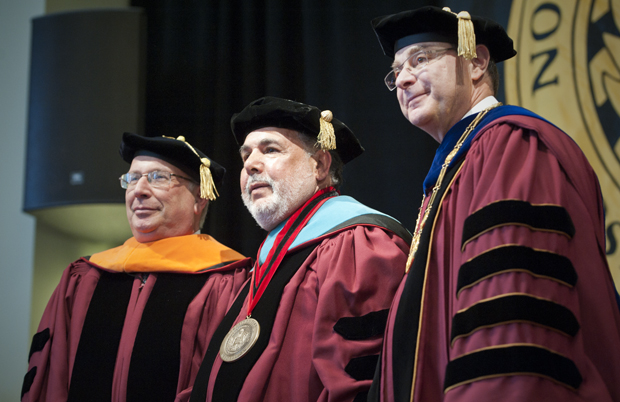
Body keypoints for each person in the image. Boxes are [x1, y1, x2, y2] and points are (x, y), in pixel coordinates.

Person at [367, 6, 620, 402]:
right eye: (396, 70)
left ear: (476, 62)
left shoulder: (511, 146)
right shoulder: (454, 169)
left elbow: (513, 316)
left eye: (420, 59)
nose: (403, 78)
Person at [185, 96, 411, 402]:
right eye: (245, 156)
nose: (250, 165)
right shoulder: (266, 261)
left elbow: (362, 378)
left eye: (271, 150)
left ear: (318, 164)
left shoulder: (358, 243)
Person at [22, 133, 251, 402]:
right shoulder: (85, 277)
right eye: (132, 178)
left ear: (200, 198)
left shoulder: (227, 280)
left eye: (158, 177)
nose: (139, 190)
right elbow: (50, 379)